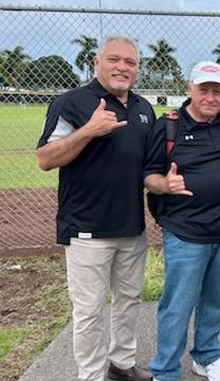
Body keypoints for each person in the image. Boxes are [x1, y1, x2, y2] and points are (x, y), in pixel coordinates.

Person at [35, 34, 184, 381]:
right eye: (114, 59)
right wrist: (88, 130)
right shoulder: (72, 102)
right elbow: (45, 159)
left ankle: (122, 363)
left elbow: (149, 170)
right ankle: (90, 375)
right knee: (88, 312)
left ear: (137, 69)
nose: (122, 67)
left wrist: (166, 183)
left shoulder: (143, 109)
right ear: (96, 63)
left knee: (128, 301)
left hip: (131, 226)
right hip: (86, 228)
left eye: (130, 62)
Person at [144, 62, 220, 381]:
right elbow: (149, 176)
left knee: (213, 299)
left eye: (217, 91)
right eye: (204, 89)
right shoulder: (168, 126)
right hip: (186, 232)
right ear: (190, 89)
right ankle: (165, 370)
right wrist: (165, 185)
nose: (210, 97)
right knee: (178, 303)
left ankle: (206, 356)